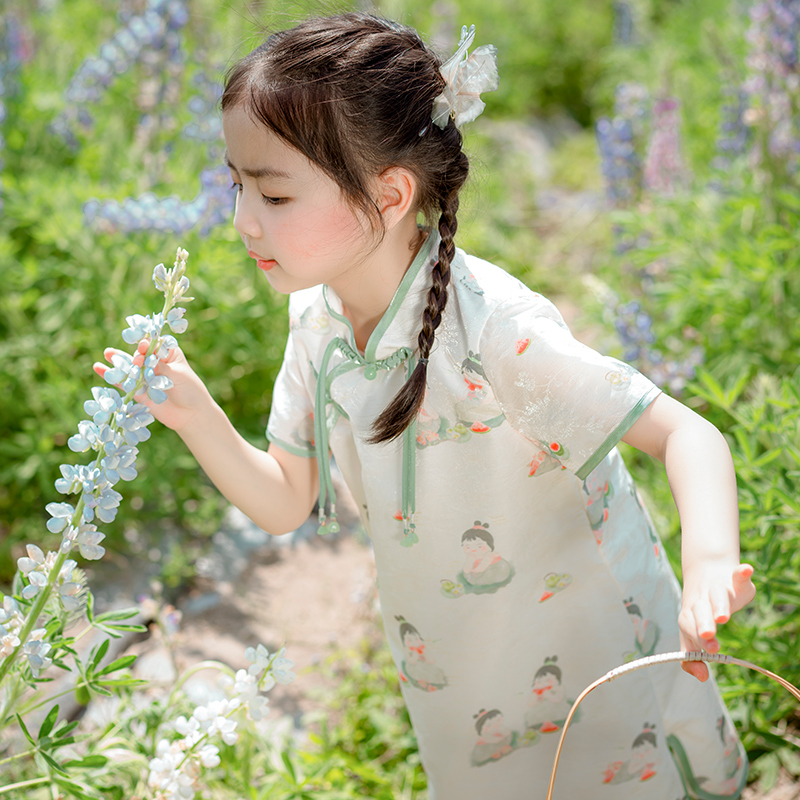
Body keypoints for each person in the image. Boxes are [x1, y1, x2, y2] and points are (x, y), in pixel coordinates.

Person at [95, 13, 756, 799]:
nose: (242, 220)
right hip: (453, 662)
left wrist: (709, 563)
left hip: (588, 635)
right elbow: (283, 501)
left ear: (389, 193)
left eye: (272, 193)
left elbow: (686, 433)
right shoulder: (318, 323)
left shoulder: (495, 332)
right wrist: (199, 416)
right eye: (238, 185)